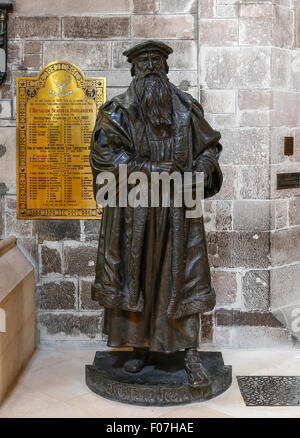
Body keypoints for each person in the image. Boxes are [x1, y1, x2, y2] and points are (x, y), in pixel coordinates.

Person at [89, 40, 222, 387]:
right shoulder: (116, 111)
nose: (151, 72)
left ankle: (190, 352)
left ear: (165, 70)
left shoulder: (185, 109)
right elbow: (106, 159)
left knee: (182, 279)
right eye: (144, 66)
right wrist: (151, 170)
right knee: (139, 278)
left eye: (157, 66)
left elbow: (209, 148)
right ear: (133, 71)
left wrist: (203, 169)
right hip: (135, 212)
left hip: (179, 210)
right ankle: (139, 347)